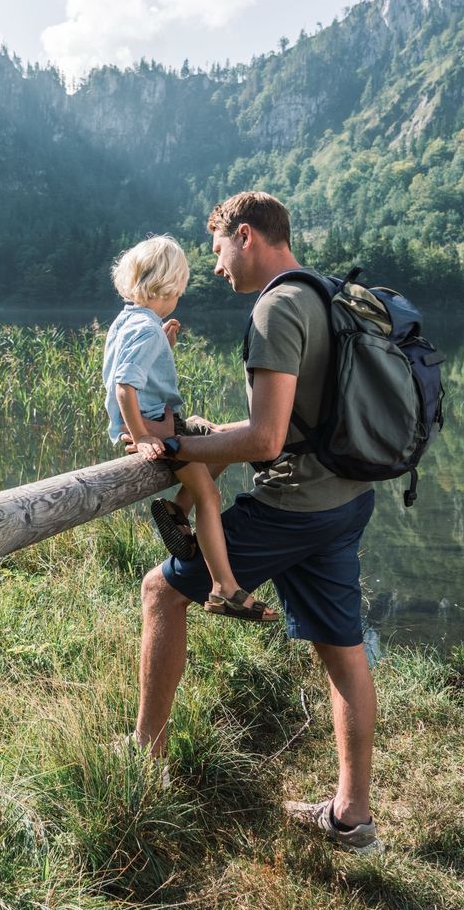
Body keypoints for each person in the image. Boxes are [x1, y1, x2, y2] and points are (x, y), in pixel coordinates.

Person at [128, 193, 383, 855]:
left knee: (160, 592)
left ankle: (143, 762)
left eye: (216, 251)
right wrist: (212, 437)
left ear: (246, 235)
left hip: (295, 506)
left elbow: (267, 439)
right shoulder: (325, 293)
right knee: (342, 649)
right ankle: (353, 818)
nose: (214, 269)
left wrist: (177, 449)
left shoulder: (276, 306)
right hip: (348, 496)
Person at [102, 235, 278, 621]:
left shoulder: (131, 320)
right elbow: (124, 387)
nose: (177, 299)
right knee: (210, 496)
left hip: (156, 421)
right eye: (178, 292)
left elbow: (134, 374)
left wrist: (164, 346)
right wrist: (145, 434)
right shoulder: (147, 329)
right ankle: (223, 588)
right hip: (157, 427)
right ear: (168, 287)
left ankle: (177, 510)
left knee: (220, 443)